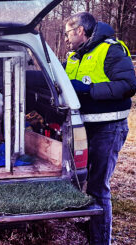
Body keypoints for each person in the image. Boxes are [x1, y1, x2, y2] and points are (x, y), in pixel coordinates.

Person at [64, 12, 136, 244]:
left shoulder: (111, 50)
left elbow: (127, 85)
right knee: (79, 181)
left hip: (108, 127)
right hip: (84, 127)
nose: (65, 39)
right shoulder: (75, 57)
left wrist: (89, 88)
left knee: (98, 186)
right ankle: (90, 227)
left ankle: (100, 238)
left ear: (79, 31)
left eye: (67, 33)